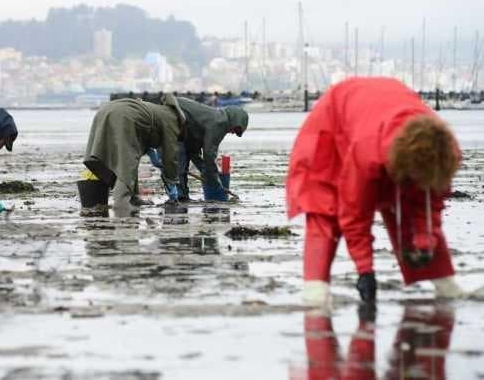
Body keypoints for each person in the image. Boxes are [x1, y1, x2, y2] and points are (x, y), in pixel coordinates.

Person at [286, 77, 463, 306]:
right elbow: (355, 213)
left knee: (411, 200)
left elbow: (430, 202)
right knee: (325, 209)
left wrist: (424, 239)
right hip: (333, 122)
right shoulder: (367, 153)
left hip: (379, 120)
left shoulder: (445, 152)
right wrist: (365, 270)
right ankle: (315, 293)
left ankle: (445, 286)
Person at [84, 94, 186, 213]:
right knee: (127, 162)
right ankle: (121, 203)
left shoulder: (159, 110)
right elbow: (170, 157)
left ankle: (134, 198)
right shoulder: (172, 120)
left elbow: (146, 127)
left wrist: (150, 152)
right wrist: (172, 183)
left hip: (106, 111)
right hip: (124, 116)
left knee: (127, 158)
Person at [173, 97, 248, 201]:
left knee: (183, 161)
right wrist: (215, 180)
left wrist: (208, 173)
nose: (233, 132)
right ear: (234, 120)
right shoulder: (219, 123)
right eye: (236, 129)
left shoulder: (217, 119)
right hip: (174, 116)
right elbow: (209, 153)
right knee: (180, 162)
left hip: (183, 129)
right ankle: (179, 197)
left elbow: (194, 152)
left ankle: (182, 196)